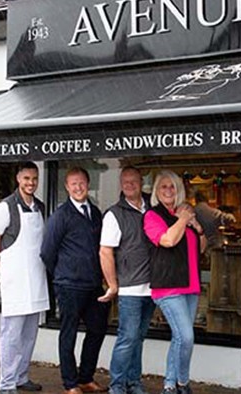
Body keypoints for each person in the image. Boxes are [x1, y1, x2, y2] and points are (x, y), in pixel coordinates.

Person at [41, 167, 108, 394]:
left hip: (93, 285)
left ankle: (85, 377)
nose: (78, 187)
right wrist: (62, 274)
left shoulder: (96, 213)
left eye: (81, 183)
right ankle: (70, 383)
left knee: (97, 330)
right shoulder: (60, 216)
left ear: (87, 184)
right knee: (68, 333)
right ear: (67, 187)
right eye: (73, 184)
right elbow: (47, 252)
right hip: (69, 285)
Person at [0, 161, 49, 394]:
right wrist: (0, 263)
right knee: (12, 335)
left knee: (30, 334)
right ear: (18, 179)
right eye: (26, 179)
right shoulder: (5, 207)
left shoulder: (40, 207)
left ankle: (22, 376)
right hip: (15, 279)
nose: (31, 183)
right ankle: (6, 383)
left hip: (36, 277)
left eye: (34, 179)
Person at [143, 170, 206, 394]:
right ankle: (182, 382)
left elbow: (201, 249)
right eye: (163, 187)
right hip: (168, 286)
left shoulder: (185, 214)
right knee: (186, 336)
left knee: (179, 337)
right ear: (156, 192)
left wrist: (197, 226)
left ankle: (170, 385)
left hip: (190, 285)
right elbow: (168, 240)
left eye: (172, 187)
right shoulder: (153, 216)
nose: (168, 191)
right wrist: (182, 219)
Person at [99, 166, 156, 394]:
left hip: (153, 288)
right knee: (128, 337)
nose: (129, 185)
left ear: (141, 182)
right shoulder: (115, 214)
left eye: (133, 181)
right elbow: (105, 252)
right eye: (125, 182)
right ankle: (117, 385)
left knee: (138, 338)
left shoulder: (153, 208)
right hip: (130, 288)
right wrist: (113, 284)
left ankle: (134, 382)